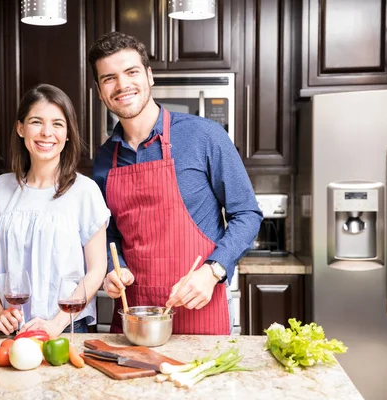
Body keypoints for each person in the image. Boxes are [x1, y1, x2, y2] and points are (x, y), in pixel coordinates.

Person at [89, 32, 263, 335]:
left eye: (131, 72)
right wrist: (111, 269)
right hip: (136, 317)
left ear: (149, 75)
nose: (122, 85)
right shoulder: (104, 160)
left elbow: (247, 214)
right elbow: (109, 234)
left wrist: (213, 271)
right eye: (109, 78)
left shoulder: (204, 136)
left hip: (200, 309)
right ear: (100, 92)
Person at [0, 83, 110, 337]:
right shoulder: (1, 188)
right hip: (10, 329)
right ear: (20, 128)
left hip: (68, 329)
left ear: (68, 134)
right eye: (37, 121)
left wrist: (56, 324)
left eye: (58, 124)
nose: (47, 132)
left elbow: (96, 270)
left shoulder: (85, 191)